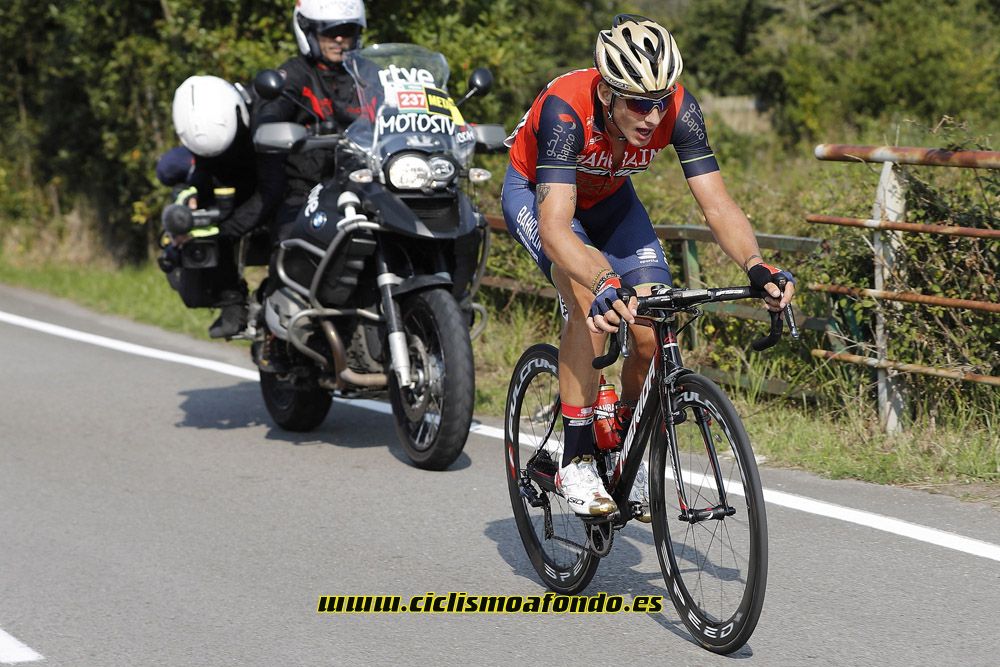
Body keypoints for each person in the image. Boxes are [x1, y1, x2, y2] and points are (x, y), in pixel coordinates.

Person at [502, 15, 795, 519]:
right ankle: (575, 459)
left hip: (614, 204)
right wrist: (601, 281)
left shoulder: (679, 110)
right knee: (588, 305)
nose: (652, 116)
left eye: (661, 101)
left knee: (650, 326)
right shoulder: (565, 111)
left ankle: (621, 440)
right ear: (609, 93)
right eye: (638, 103)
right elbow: (555, 227)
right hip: (540, 200)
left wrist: (756, 265)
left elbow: (718, 205)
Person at [157, 75, 285, 338]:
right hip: (231, 186)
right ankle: (231, 301)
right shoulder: (201, 139)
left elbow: (272, 191)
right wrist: (193, 214)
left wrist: (229, 228)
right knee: (199, 223)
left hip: (278, 178)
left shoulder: (266, 114)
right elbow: (203, 176)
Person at [254, 0, 367, 244]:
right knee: (291, 241)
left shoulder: (369, 74)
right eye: (329, 31)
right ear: (308, 31)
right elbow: (270, 113)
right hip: (310, 188)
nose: (339, 39)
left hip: (369, 182)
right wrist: (274, 125)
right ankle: (281, 282)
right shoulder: (296, 73)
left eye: (346, 31)